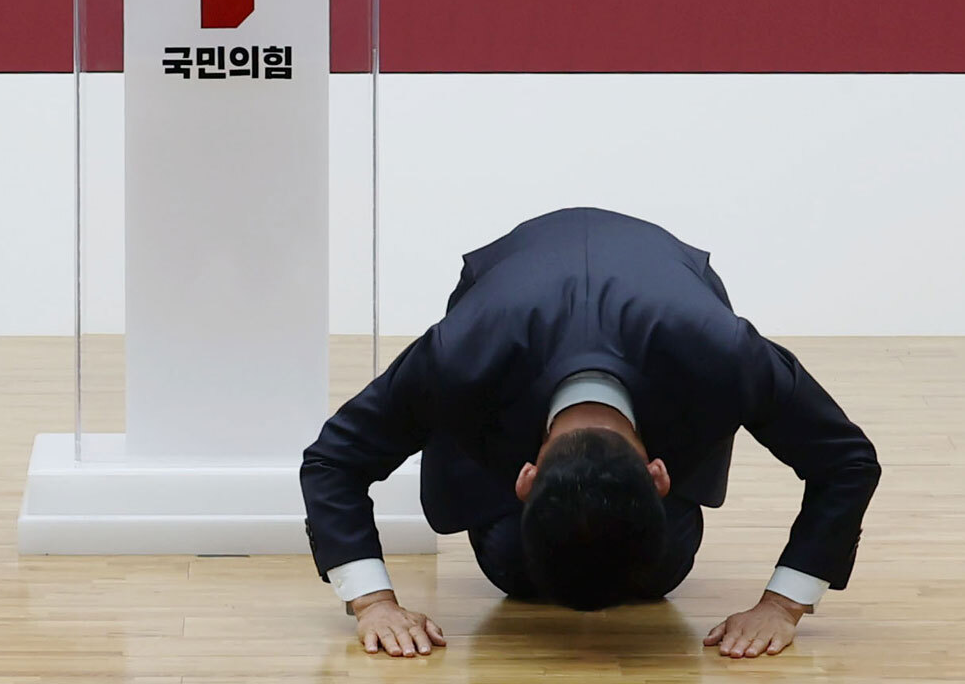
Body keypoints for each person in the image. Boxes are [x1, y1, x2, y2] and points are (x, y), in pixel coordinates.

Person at [301, 207, 880, 658]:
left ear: (661, 475)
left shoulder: (722, 353)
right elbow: (335, 459)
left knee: (660, 569)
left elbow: (846, 460)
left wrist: (782, 604)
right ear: (522, 479)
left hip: (665, 311)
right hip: (512, 312)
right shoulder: (461, 355)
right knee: (513, 564)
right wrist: (372, 602)